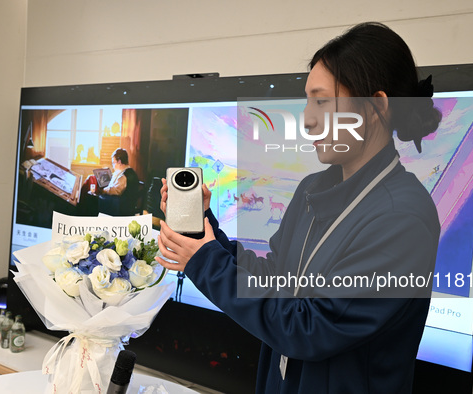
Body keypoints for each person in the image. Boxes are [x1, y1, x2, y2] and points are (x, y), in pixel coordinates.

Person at [156, 22, 442, 393]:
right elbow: (274, 279)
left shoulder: (402, 218)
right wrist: (200, 227)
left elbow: (308, 329)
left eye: (322, 101)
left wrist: (207, 262)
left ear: (376, 107)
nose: (307, 119)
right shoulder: (314, 188)